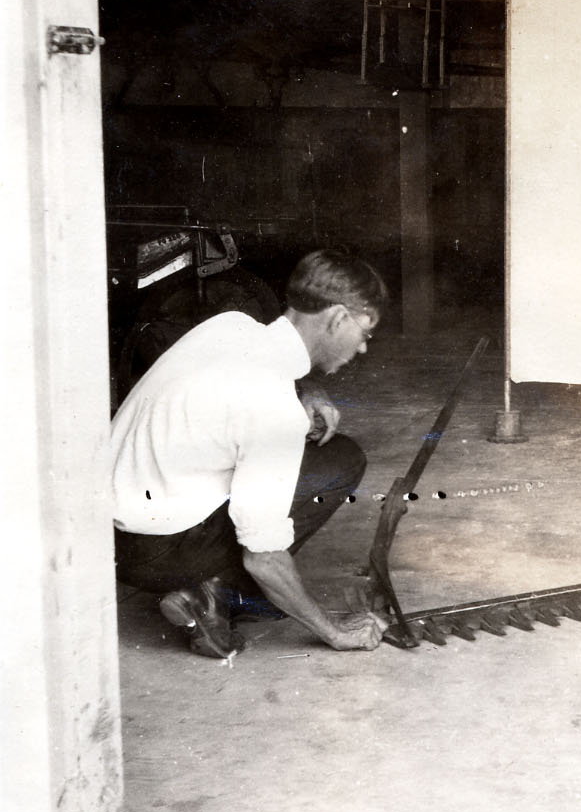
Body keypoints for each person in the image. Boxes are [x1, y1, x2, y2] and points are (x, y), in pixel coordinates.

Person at [110, 249, 390, 657]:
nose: (363, 349)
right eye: (364, 333)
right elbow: (264, 556)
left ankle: (206, 593)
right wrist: (333, 631)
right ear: (337, 319)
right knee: (341, 461)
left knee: (313, 456)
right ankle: (215, 591)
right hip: (159, 552)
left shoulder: (231, 327)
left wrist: (305, 388)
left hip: (111, 535)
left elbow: (235, 384)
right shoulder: (272, 404)